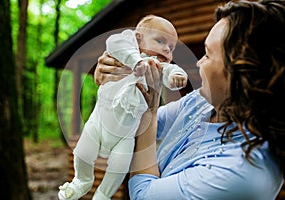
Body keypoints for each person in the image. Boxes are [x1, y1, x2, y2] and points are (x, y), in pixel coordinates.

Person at [94, 0, 285, 199]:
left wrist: (149, 111)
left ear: (245, 74)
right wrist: (114, 86)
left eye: (208, 55)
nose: (199, 63)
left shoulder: (240, 174)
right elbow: (127, 127)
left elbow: (143, 195)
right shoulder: (203, 103)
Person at [58, 15, 188, 200]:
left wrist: (177, 77)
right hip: (98, 123)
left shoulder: (158, 67)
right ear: (138, 38)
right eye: (160, 40)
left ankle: (103, 195)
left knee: (119, 167)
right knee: (83, 153)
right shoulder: (124, 52)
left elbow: (171, 72)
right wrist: (136, 61)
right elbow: (113, 41)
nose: (167, 49)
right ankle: (82, 181)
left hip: (125, 135)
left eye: (171, 47)